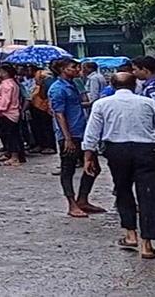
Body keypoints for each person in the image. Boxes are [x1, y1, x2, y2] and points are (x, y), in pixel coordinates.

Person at [83, 71, 155, 259]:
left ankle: (130, 234)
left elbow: (92, 132)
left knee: (123, 190)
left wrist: (88, 156)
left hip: (117, 151)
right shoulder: (149, 103)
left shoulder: (102, 104)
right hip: (146, 150)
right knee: (148, 195)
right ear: (135, 85)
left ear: (112, 86)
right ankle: (147, 244)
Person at [48, 58, 105, 218]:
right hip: (70, 134)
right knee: (68, 169)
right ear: (63, 69)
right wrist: (67, 138)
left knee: (93, 166)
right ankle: (72, 203)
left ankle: (83, 199)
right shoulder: (58, 88)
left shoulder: (72, 85)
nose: (77, 70)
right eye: (73, 67)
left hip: (81, 131)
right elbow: (59, 114)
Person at [0, 67, 27, 165]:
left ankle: (14, 157)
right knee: (14, 135)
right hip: (11, 113)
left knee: (11, 136)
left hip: (7, 113)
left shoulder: (7, 85)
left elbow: (5, 100)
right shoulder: (12, 84)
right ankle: (16, 155)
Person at [29, 68, 58, 154]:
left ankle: (50, 146)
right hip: (37, 108)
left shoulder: (47, 83)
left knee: (46, 128)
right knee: (38, 128)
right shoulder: (38, 86)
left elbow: (44, 95)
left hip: (44, 108)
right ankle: (41, 144)